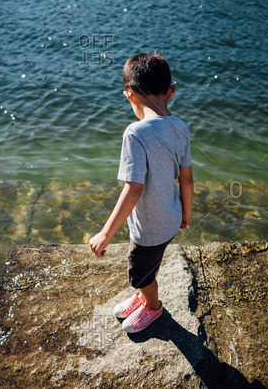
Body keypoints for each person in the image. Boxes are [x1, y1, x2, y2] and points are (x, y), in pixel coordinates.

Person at [89, 52, 193, 333]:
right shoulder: (181, 128)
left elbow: (133, 190)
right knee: (152, 263)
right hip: (171, 218)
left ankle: (153, 306)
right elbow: (187, 179)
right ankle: (145, 292)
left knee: (138, 272)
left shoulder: (135, 133)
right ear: (171, 91)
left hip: (149, 229)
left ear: (129, 95)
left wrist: (106, 233)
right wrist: (186, 213)